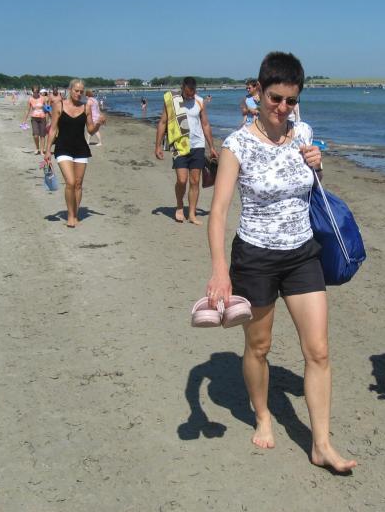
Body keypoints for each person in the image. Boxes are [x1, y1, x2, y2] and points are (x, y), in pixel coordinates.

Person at [206, 52, 357, 473]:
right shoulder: (237, 145)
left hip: (303, 253)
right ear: (258, 91)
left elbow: (310, 187)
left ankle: (321, 444)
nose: (283, 108)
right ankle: (263, 415)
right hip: (255, 257)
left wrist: (318, 167)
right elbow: (218, 213)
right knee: (259, 346)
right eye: (275, 98)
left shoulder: (303, 132)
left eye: (291, 100)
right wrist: (219, 271)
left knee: (319, 351)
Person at [154, 77, 218, 225]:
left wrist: (212, 147)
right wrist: (158, 146)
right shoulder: (172, 100)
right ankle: (179, 205)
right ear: (182, 88)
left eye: (192, 93)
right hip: (179, 145)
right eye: (188, 93)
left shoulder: (199, 101)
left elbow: (205, 124)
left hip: (197, 146)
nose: (190, 96)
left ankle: (192, 214)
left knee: (195, 181)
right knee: (182, 180)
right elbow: (163, 122)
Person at [44, 79, 106, 228]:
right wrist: (47, 150)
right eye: (76, 90)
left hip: (80, 149)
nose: (79, 93)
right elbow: (53, 129)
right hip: (63, 148)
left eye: (81, 91)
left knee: (78, 184)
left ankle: (75, 213)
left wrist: (98, 123)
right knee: (70, 182)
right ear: (70, 90)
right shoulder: (59, 105)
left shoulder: (86, 107)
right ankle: (70, 216)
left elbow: (90, 130)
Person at [22, 86, 48, 155]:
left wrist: (51, 117)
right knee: (35, 135)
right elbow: (27, 110)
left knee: (42, 135)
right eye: (34, 92)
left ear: (38, 92)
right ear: (32, 92)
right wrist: (24, 120)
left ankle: (42, 150)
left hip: (42, 118)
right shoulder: (30, 99)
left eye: (37, 92)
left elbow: (47, 108)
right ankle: (37, 148)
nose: (35, 93)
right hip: (34, 118)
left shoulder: (43, 98)